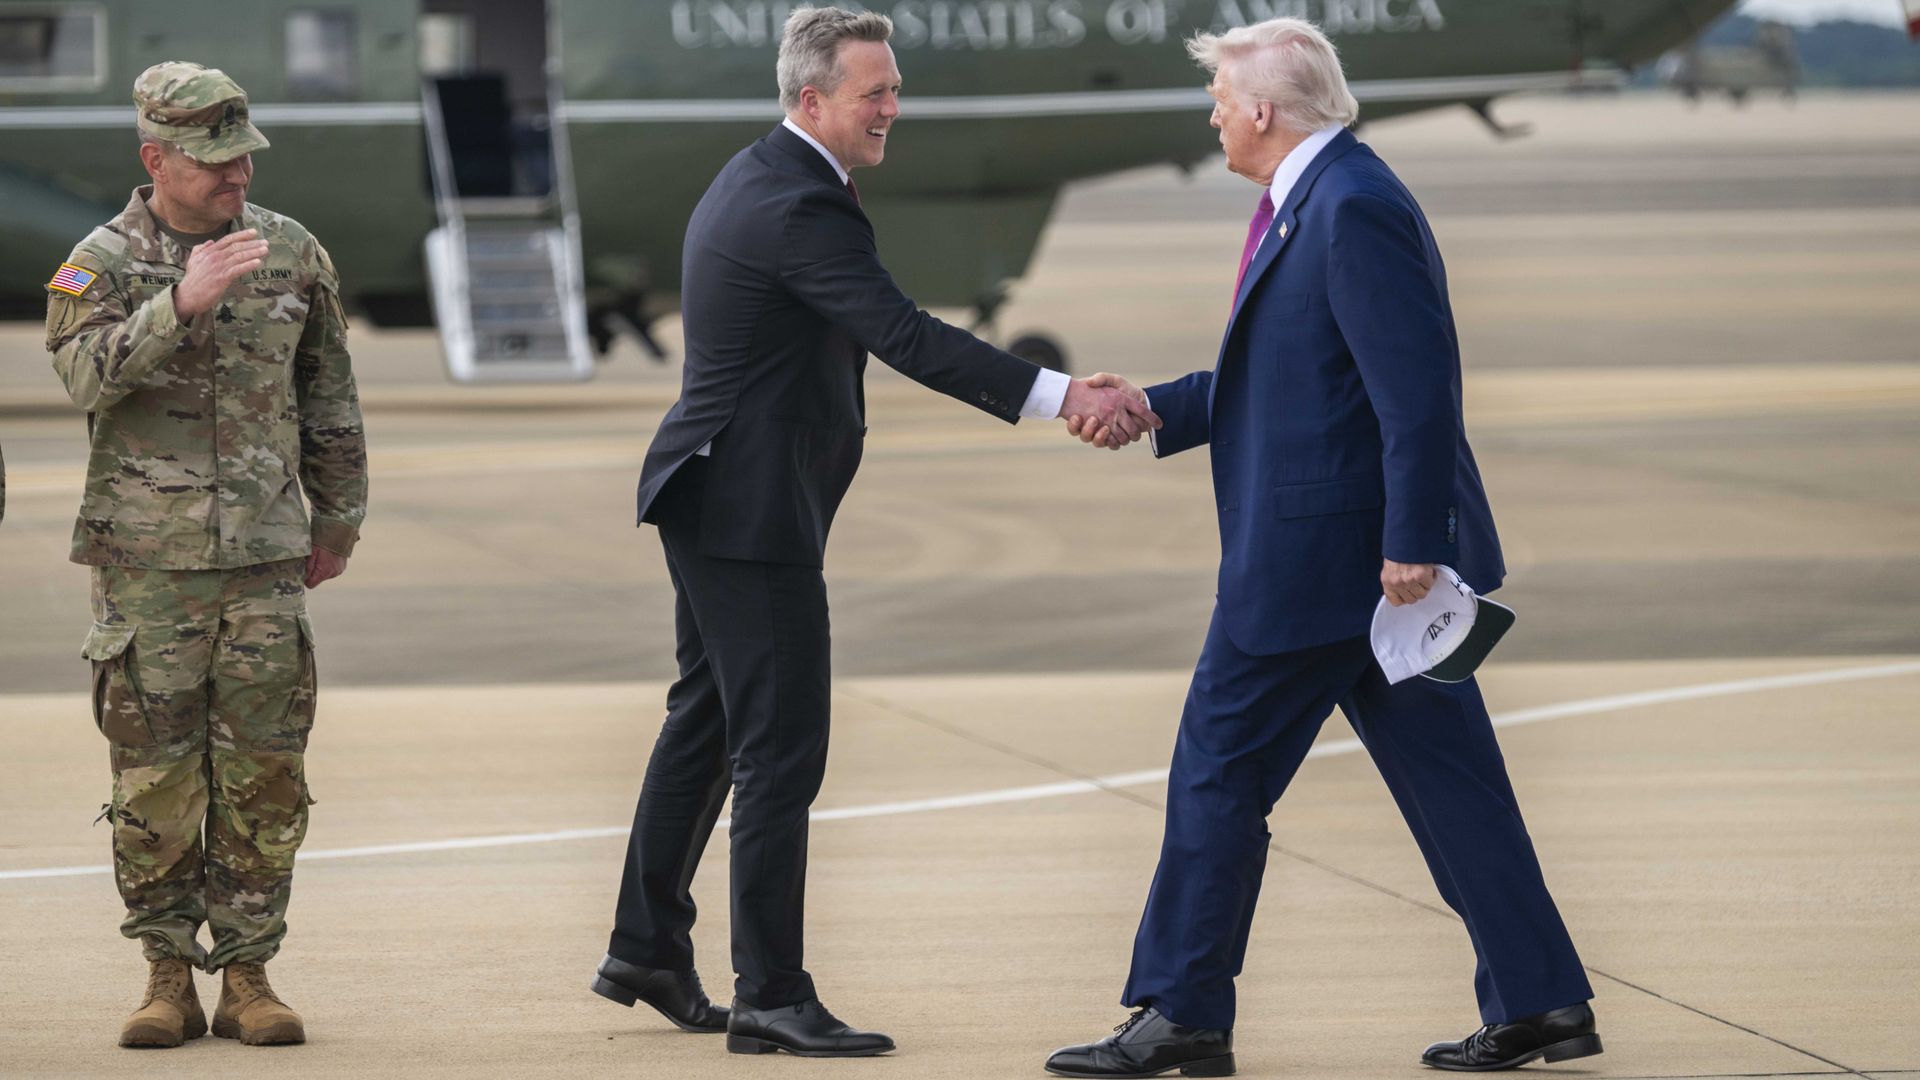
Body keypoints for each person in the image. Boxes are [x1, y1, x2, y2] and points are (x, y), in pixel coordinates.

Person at [590, 4, 1158, 1060]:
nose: (893, 106)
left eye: (894, 87)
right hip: (749, 512)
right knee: (779, 750)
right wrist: (1061, 392)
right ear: (814, 99)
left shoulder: (765, 173)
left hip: (717, 495)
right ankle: (771, 993)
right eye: (875, 92)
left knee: (709, 724)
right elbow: (903, 334)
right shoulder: (799, 205)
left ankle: (648, 947)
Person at [1047, 19, 1598, 1078]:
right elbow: (1292, 384)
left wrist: (1415, 540)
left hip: (1334, 569)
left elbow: (1418, 387)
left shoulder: (1352, 205)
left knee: (1218, 771)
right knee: (1457, 789)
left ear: (1262, 109)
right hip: (1364, 567)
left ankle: (1184, 1013)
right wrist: (1153, 407)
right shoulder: (1315, 200)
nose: (1211, 114)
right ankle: (1543, 1004)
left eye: (1218, 97)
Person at [45, 61, 366, 1049]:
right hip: (151, 570)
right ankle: (166, 977)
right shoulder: (98, 266)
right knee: (154, 784)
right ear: (157, 159)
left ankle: (252, 975)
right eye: (214, 162)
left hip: (267, 562)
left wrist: (338, 517)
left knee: (266, 773)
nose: (236, 179)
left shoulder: (291, 251)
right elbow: (83, 379)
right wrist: (176, 304)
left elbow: (329, 393)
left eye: (242, 159)